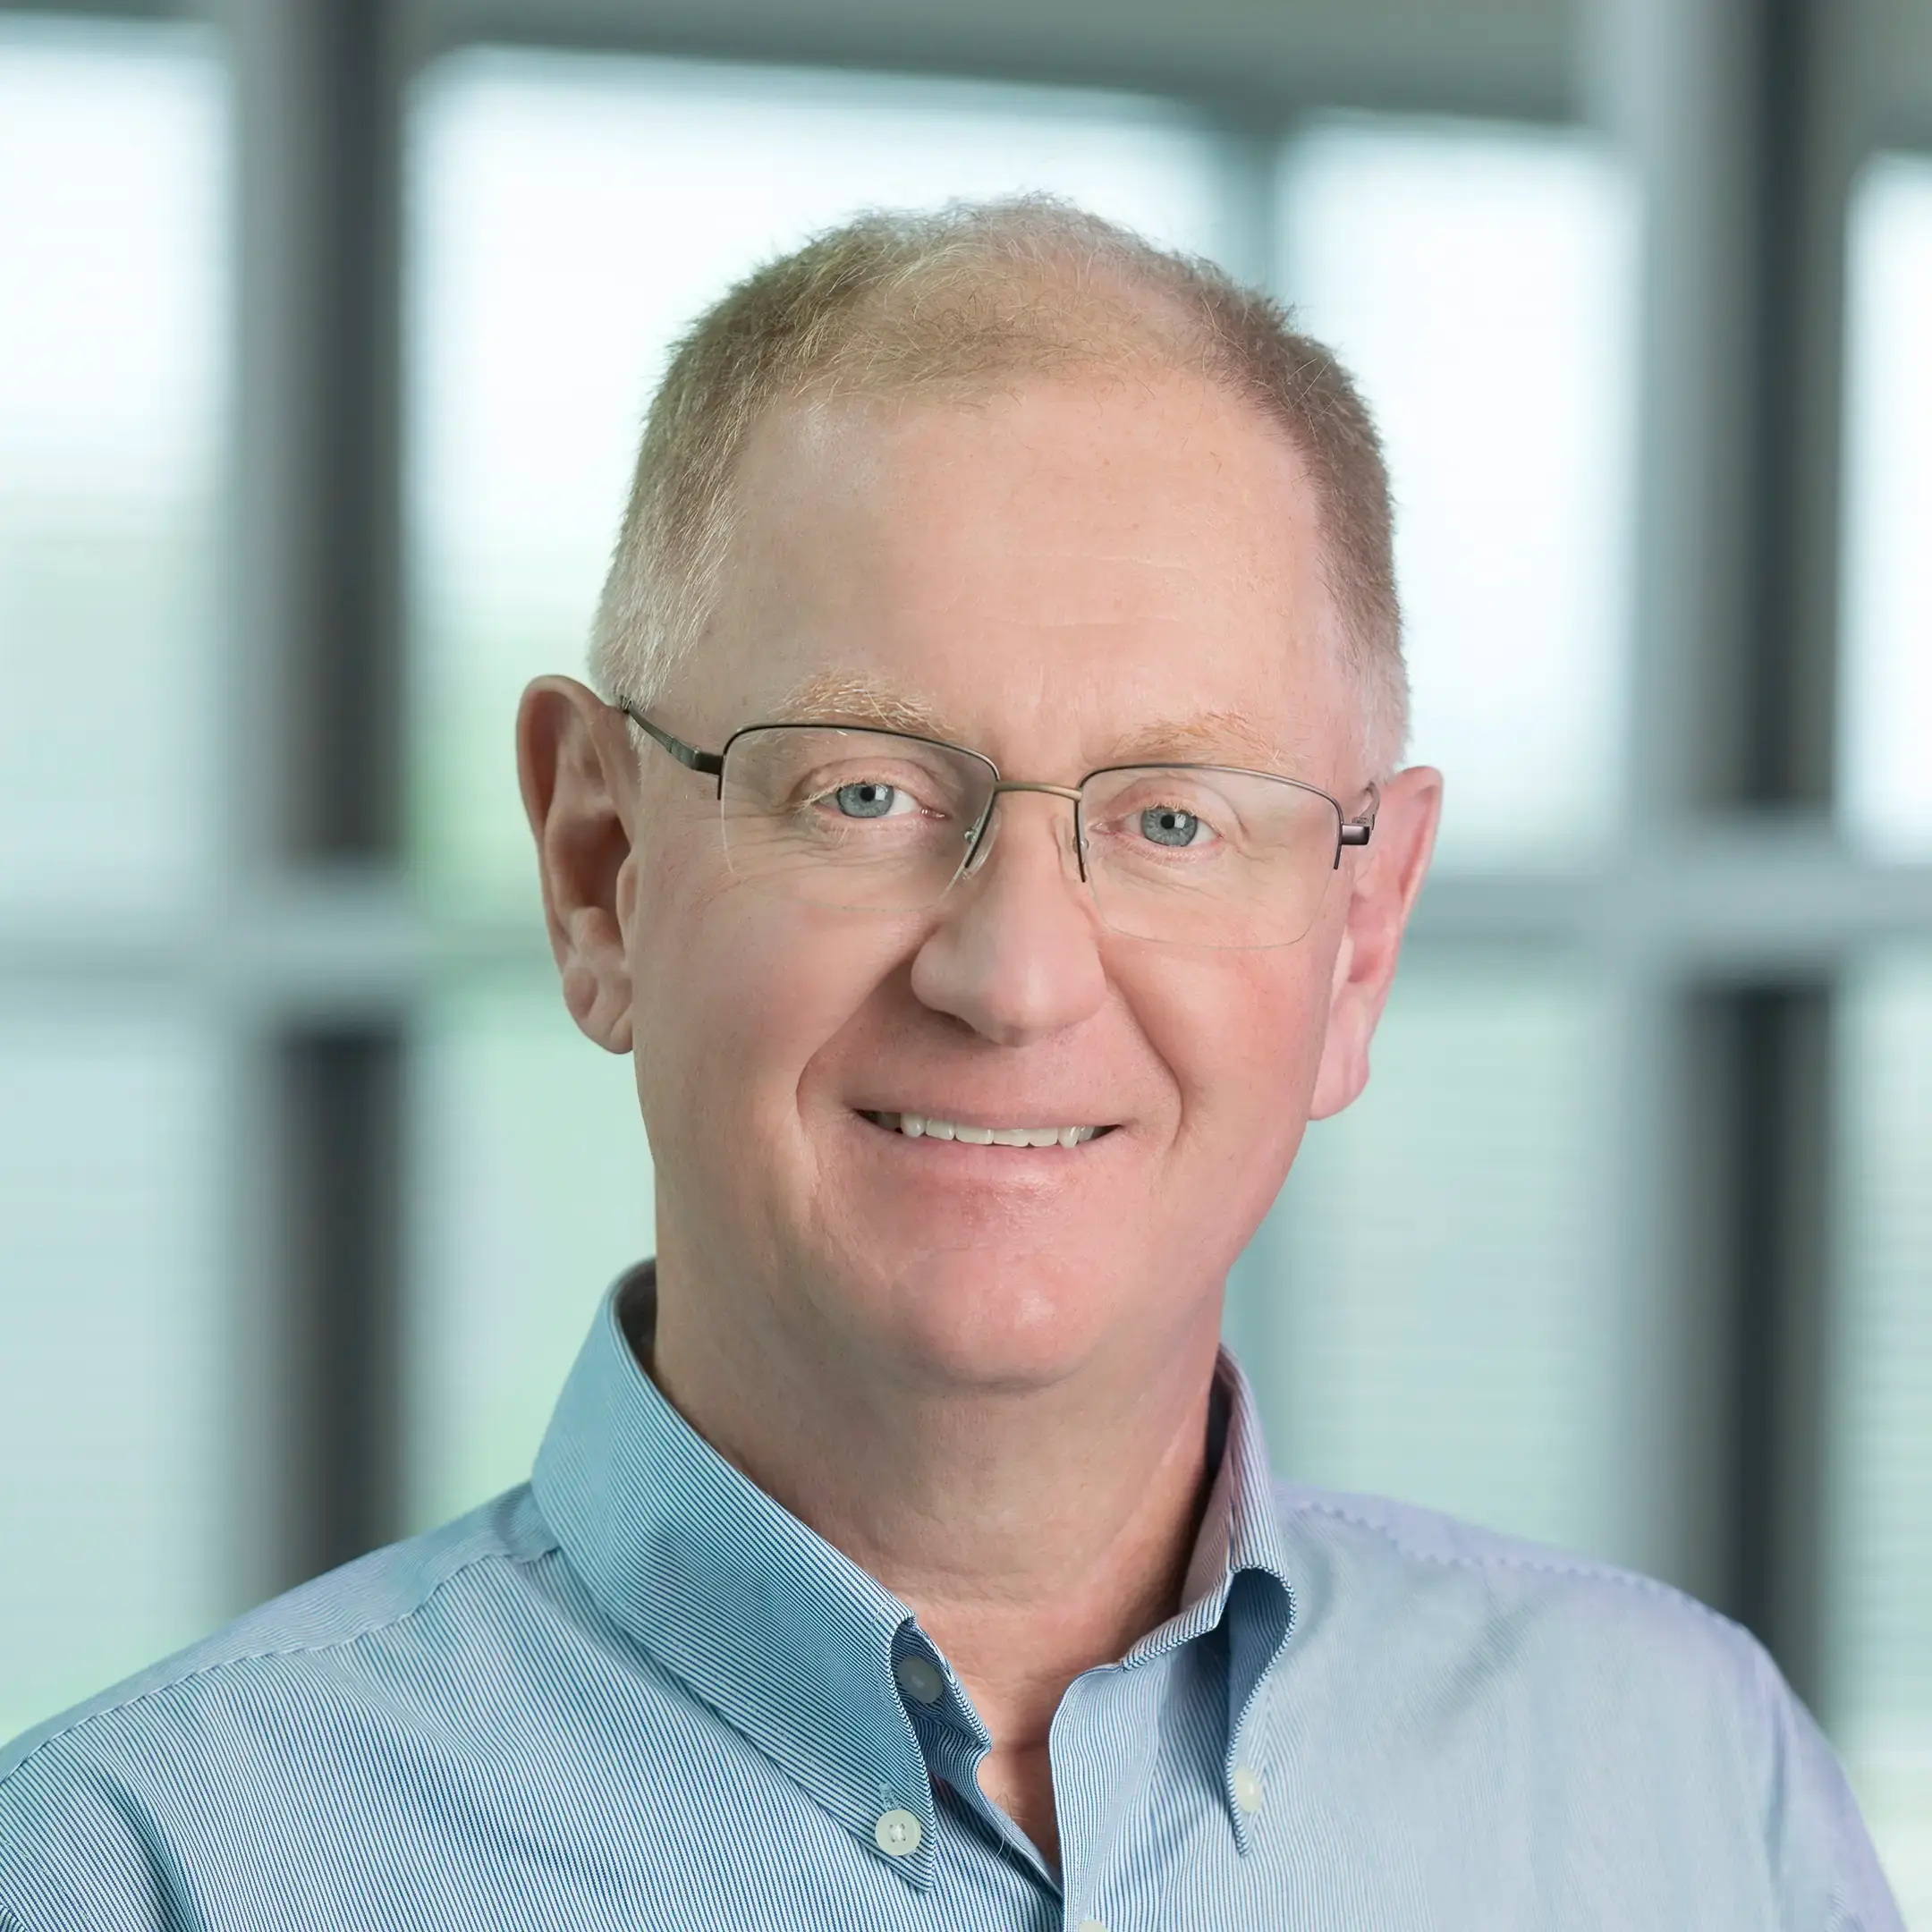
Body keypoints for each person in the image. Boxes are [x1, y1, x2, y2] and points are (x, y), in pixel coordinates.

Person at [0, 199, 1901, 1931]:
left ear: (1363, 939)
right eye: (864, 791)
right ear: (599, 870)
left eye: (1174, 822)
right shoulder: (139, 1874)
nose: (1012, 973)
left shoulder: (1683, 1792)